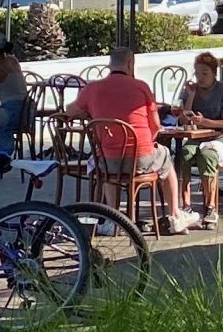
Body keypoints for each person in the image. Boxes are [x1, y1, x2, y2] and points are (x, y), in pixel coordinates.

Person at [55, 42, 182, 232]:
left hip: (109, 160)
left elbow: (69, 111)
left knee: (104, 168)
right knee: (165, 157)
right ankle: (175, 215)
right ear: (130, 64)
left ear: (109, 64)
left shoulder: (92, 89)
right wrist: (149, 141)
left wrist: (92, 111)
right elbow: (155, 126)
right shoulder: (141, 87)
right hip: (140, 158)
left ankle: (113, 219)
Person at [174, 52, 223, 223]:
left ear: (214, 74)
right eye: (197, 73)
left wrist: (205, 121)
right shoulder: (191, 90)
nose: (200, 78)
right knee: (184, 154)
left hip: (222, 138)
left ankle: (211, 207)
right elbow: (182, 119)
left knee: (207, 155)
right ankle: (186, 205)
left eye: (205, 73)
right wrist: (191, 96)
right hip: (197, 137)